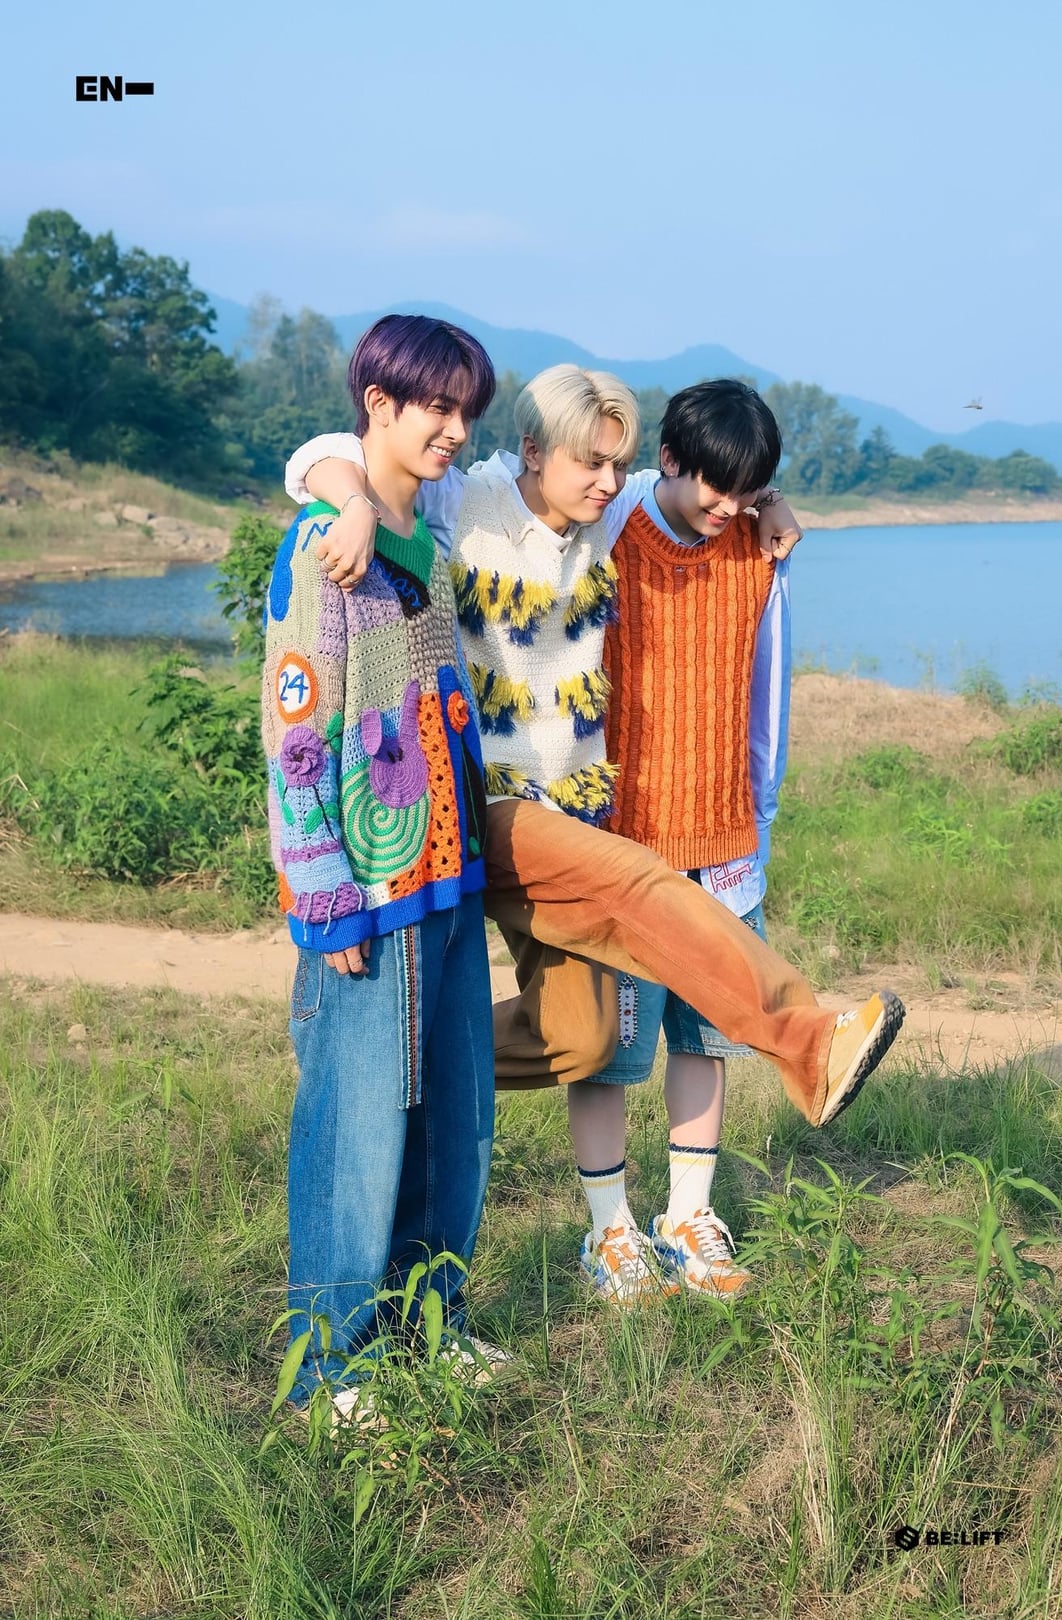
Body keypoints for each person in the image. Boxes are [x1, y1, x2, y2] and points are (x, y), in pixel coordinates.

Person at [284, 359, 904, 1151]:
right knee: (638, 881)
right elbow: (319, 455)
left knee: (583, 1037)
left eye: (619, 464)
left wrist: (769, 502)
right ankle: (806, 1042)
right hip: (489, 803)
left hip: (571, 811)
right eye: (591, 463)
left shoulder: (606, 516)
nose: (610, 482)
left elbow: (696, 485)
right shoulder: (465, 501)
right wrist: (355, 505)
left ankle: (385, 1062)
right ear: (534, 450)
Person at [262, 313, 500, 1428]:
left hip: (448, 878)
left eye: (465, 412)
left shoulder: (422, 539)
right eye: (435, 408)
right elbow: (295, 727)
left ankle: (430, 1326)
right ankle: (327, 1370)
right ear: (379, 405)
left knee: (454, 1121)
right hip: (364, 884)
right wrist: (323, 892)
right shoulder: (326, 546)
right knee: (356, 1130)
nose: (453, 430)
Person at [560, 379, 804, 1305]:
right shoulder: (606, 530)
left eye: (747, 491)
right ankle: (609, 1228)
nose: (728, 507)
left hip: (721, 847)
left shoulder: (759, 550)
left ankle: (687, 1217)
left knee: (707, 1039)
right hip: (620, 846)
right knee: (608, 1048)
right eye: (715, 487)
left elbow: (768, 697)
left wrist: (755, 827)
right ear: (668, 459)